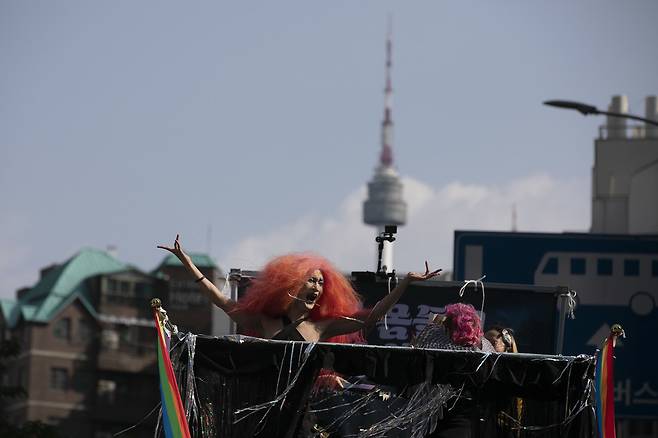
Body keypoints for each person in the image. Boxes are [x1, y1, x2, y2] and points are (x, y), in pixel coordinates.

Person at [158, 234, 441, 343]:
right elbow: (221, 300)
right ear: (292, 283)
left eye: (321, 282)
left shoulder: (321, 327)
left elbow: (372, 316)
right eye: (311, 280)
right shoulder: (265, 319)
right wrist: (187, 262)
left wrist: (404, 283)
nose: (317, 287)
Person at [411, 303, 494, 438]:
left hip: (443, 415)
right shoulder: (483, 349)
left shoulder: (437, 344)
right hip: (464, 416)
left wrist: (433, 327)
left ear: (448, 327)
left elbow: (419, 350)